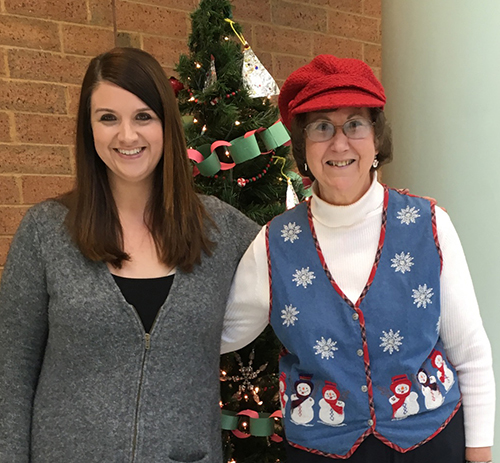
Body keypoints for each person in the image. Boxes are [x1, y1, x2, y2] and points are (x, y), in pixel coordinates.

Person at [222, 55, 495, 462]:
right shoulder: (273, 245)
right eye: (321, 127)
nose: (339, 142)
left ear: (376, 139)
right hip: (322, 452)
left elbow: (471, 353)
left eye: (355, 123)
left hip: (430, 444)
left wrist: (480, 455)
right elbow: (215, 335)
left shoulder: (429, 225)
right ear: (302, 145)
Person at [0, 47, 259, 462]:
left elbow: (307, 263)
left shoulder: (221, 230)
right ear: (89, 129)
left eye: (143, 116)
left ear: (165, 125)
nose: (127, 136)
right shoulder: (46, 231)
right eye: (108, 118)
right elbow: (10, 376)